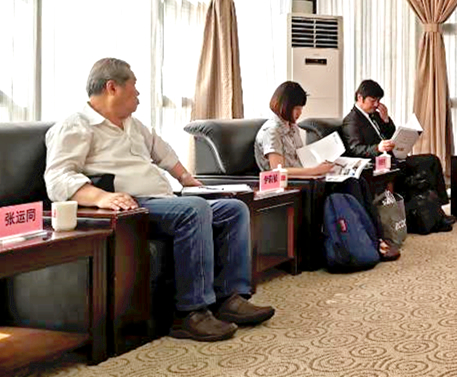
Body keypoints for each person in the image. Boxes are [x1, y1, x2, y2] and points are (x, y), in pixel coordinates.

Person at [45, 58, 274, 342]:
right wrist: (101, 197)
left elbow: (163, 152)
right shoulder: (75, 126)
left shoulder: (133, 125)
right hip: (130, 206)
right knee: (194, 210)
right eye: (134, 86)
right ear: (112, 87)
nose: (139, 93)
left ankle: (229, 298)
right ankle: (190, 313)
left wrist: (187, 178)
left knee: (233, 208)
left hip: (164, 199)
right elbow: (58, 178)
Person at [254, 81, 397, 259]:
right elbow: (277, 171)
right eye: (297, 108)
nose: (300, 113)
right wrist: (315, 171)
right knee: (350, 185)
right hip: (291, 182)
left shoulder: (292, 127)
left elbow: (302, 158)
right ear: (285, 106)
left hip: (308, 176)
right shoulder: (272, 131)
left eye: (301, 108)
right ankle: (371, 242)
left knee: (357, 181)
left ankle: (374, 237)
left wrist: (324, 165)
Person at [340, 79, 454, 229]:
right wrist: (377, 147)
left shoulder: (374, 115)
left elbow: (391, 135)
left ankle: (438, 209)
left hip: (393, 158)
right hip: (379, 164)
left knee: (432, 160)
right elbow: (355, 149)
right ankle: (432, 215)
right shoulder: (352, 120)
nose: (376, 104)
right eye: (373, 100)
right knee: (423, 166)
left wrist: (386, 120)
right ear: (360, 98)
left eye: (378, 100)